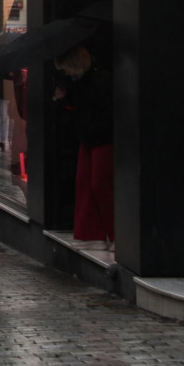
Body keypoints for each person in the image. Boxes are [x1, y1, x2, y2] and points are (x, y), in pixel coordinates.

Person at [53, 45, 113, 246]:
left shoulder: (100, 80)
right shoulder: (76, 83)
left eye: (65, 68)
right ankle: (92, 233)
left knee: (100, 185)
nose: (65, 73)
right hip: (87, 138)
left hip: (102, 138)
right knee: (85, 184)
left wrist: (70, 99)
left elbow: (94, 109)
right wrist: (66, 100)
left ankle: (113, 234)